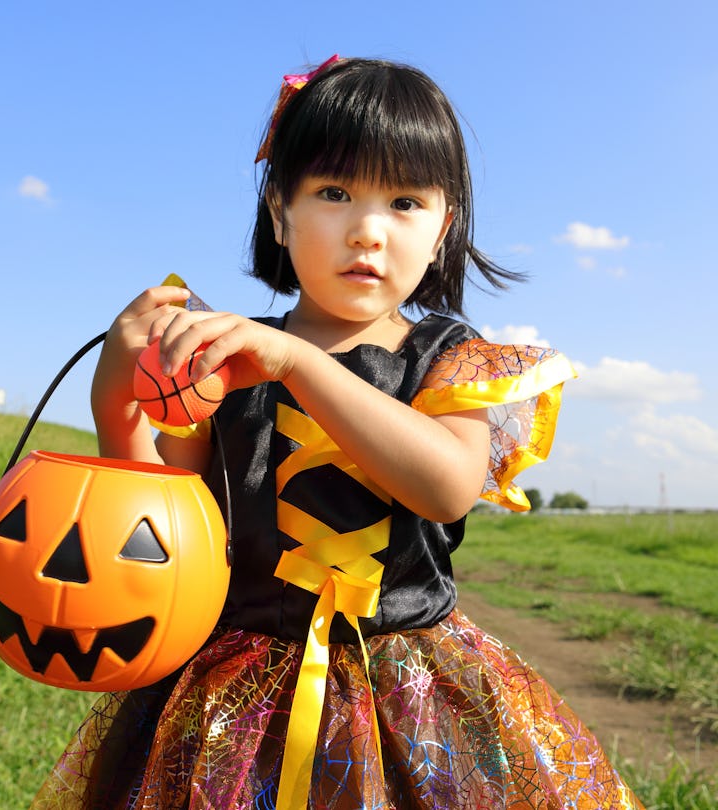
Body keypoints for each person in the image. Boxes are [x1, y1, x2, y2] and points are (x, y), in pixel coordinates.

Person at [33, 56, 644, 809]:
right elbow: (166, 535)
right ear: (279, 213)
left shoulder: (448, 357)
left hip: (410, 690)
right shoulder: (225, 361)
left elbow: (448, 487)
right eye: (333, 192)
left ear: (443, 225)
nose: (367, 230)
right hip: (233, 695)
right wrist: (116, 400)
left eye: (404, 202)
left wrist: (296, 365)